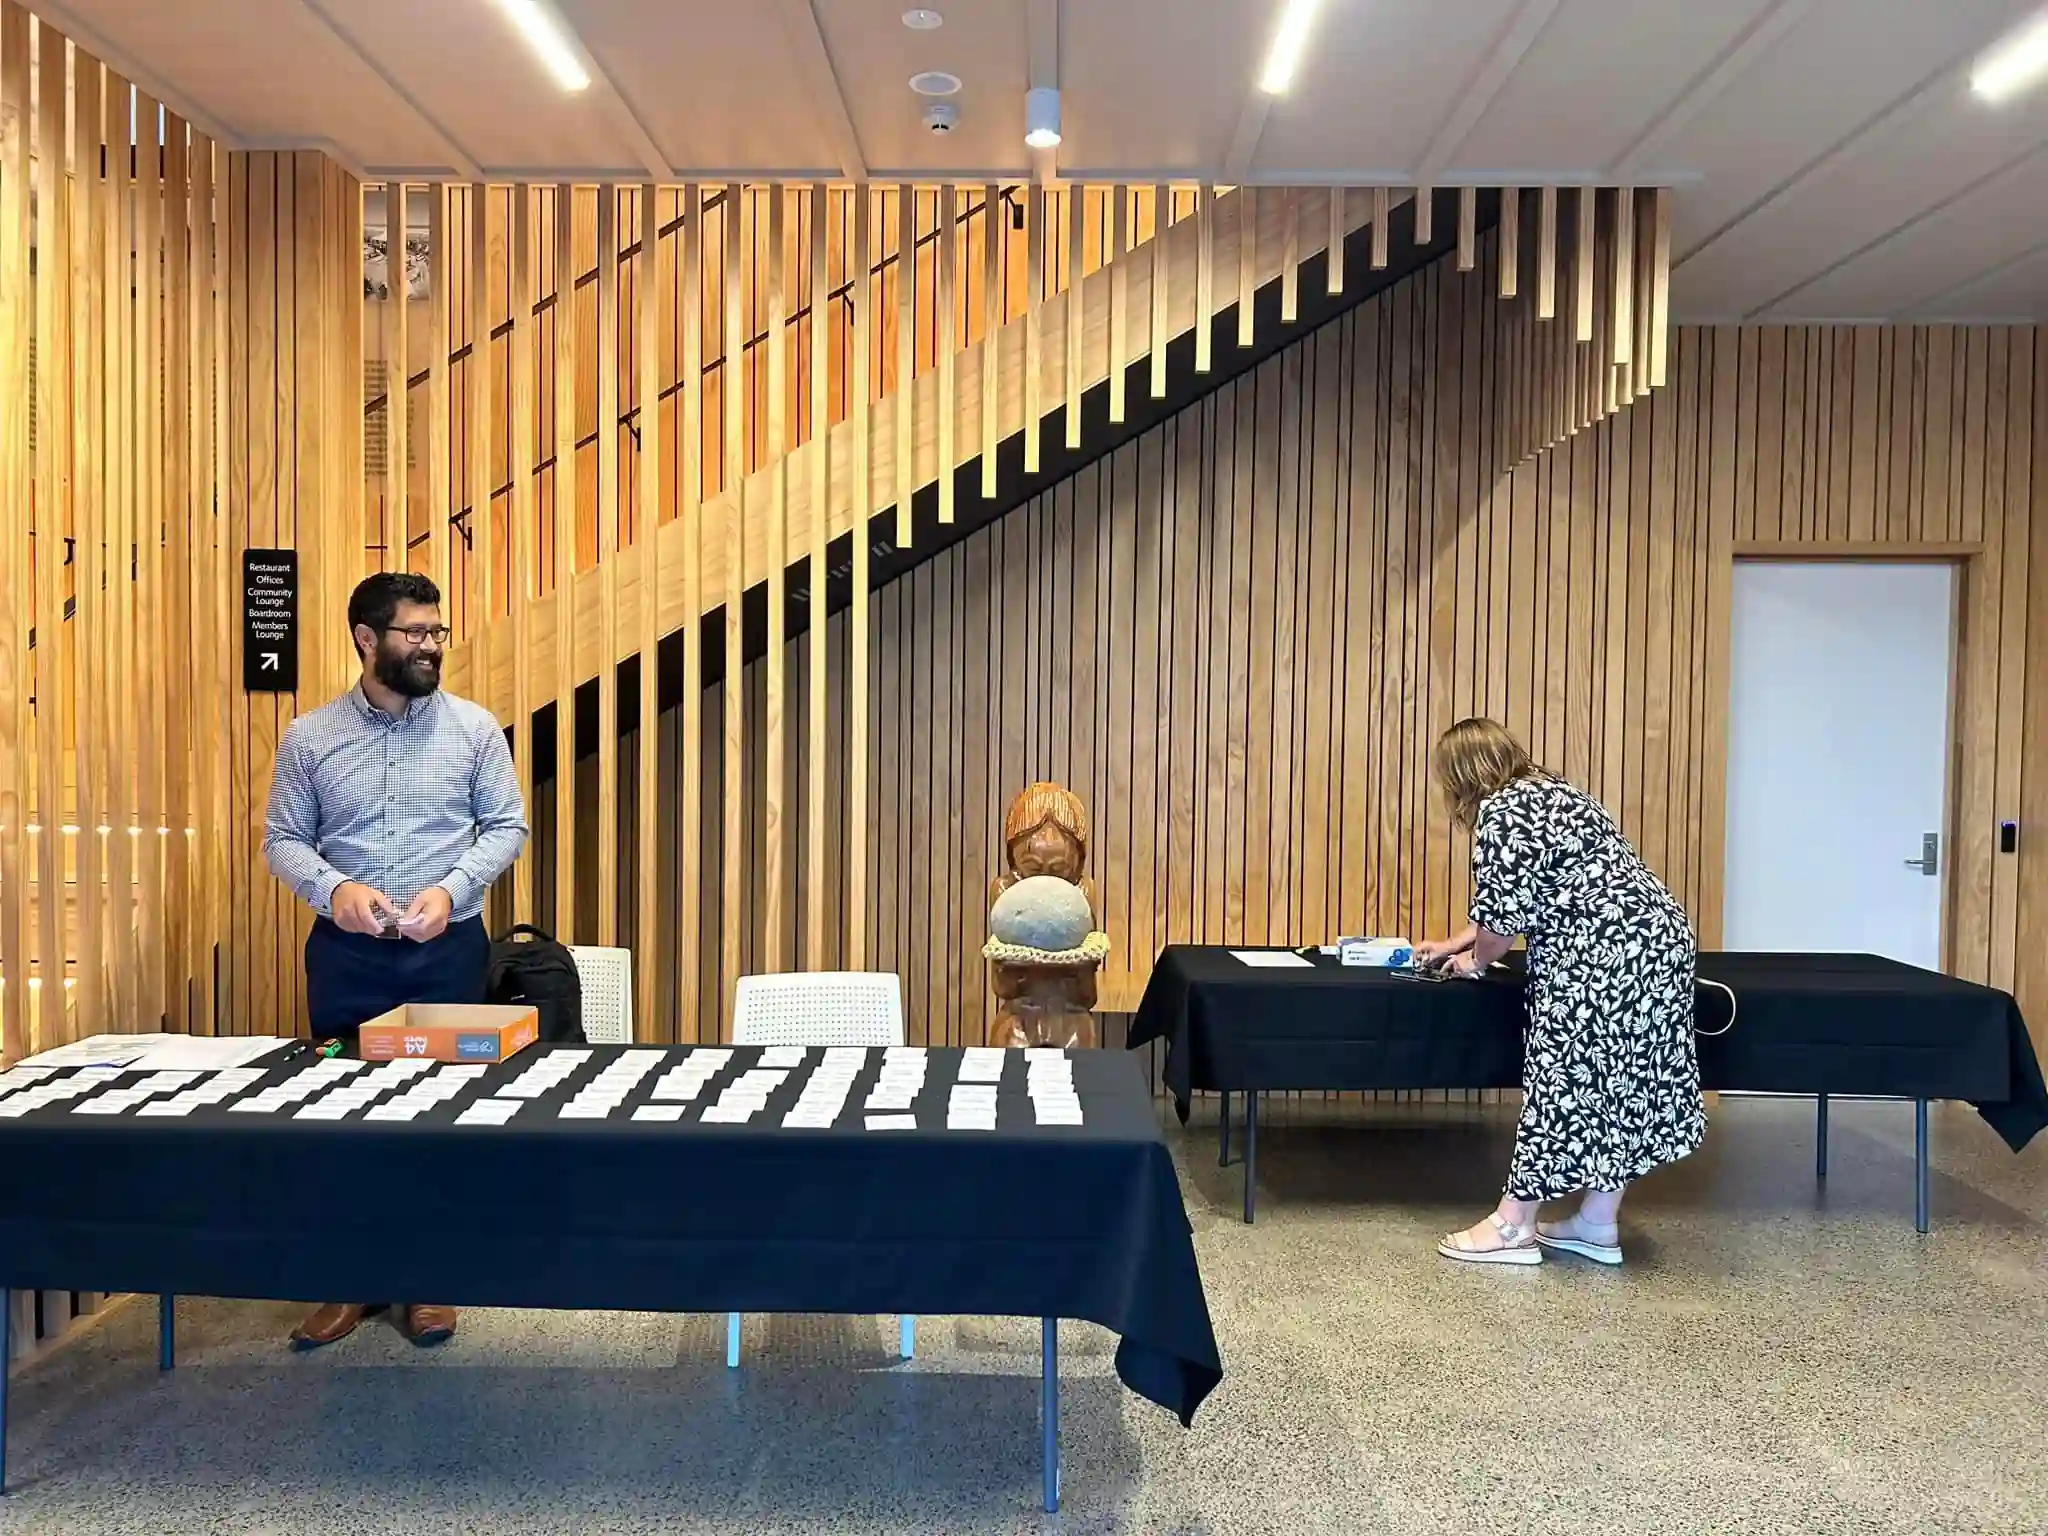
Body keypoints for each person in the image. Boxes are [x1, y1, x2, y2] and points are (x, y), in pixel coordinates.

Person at [263, 571, 529, 1347]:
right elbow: (283, 839)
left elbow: (506, 827)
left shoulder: (475, 730)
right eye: (416, 633)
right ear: (366, 640)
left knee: (439, 1118)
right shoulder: (309, 738)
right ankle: (354, 1279)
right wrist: (332, 886)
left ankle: (429, 1279)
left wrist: (453, 890)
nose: (431, 647)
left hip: (446, 955)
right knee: (345, 1117)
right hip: (348, 961)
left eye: (438, 632)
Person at [1414, 718, 1703, 1267]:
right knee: (1622, 1083)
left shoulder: (1500, 814)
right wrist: (1457, 941)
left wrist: (1471, 963)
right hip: (1658, 944)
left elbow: (1503, 917)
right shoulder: (1558, 792)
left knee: (1562, 1082)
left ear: (1460, 774)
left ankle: (1512, 1226)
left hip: (1601, 956)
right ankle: (1596, 1224)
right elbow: (1540, 888)